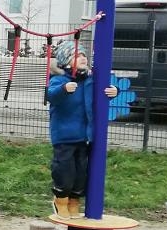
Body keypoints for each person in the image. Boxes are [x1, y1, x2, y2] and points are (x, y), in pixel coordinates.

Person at [46, 41, 118, 219]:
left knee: (81, 172)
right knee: (65, 170)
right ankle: (60, 200)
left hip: (84, 136)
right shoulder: (59, 79)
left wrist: (114, 91)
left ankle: (74, 202)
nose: (83, 58)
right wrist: (64, 89)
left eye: (84, 55)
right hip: (64, 136)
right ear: (66, 61)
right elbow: (51, 96)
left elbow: (101, 95)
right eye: (77, 55)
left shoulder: (89, 80)